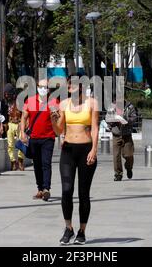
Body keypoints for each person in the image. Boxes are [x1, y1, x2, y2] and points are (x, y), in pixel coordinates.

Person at [51, 74, 99, 245]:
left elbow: (94, 128)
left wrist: (94, 149)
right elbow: (58, 131)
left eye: (73, 84)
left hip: (86, 149)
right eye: (69, 83)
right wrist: (53, 119)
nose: (69, 86)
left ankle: (82, 231)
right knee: (66, 190)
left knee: (83, 193)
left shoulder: (92, 103)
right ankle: (68, 228)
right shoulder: (64, 104)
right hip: (68, 150)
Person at [20, 78, 58, 201]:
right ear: (37, 87)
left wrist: (57, 116)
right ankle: (40, 189)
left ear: (48, 89)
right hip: (34, 138)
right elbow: (23, 118)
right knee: (37, 165)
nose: (43, 89)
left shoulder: (53, 101)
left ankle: (46, 188)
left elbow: (60, 117)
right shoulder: (30, 101)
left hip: (48, 138)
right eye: (40, 87)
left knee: (46, 163)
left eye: (45, 87)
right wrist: (22, 133)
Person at [106, 99, 139, 181]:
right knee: (116, 156)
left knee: (128, 155)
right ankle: (118, 174)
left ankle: (128, 168)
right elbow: (107, 118)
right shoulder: (112, 106)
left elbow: (134, 118)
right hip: (116, 135)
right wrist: (113, 121)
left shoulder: (129, 106)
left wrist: (126, 120)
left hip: (127, 134)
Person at [3, 83, 25, 171]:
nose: (7, 95)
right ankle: (13, 161)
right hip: (10, 124)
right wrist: (3, 124)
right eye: (5, 94)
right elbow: (2, 114)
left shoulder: (19, 101)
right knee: (10, 144)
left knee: (21, 143)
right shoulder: (4, 102)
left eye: (8, 94)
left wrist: (23, 123)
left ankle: (20, 161)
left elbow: (24, 112)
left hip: (19, 123)